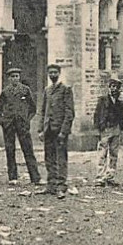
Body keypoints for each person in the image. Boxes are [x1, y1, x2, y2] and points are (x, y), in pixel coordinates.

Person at [0, 66, 41, 186]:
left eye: (17, 76)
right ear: (9, 79)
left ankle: (35, 177)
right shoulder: (5, 92)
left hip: (22, 125)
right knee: (10, 150)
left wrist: (27, 120)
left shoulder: (25, 90)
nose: (15, 78)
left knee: (28, 150)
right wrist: (3, 122)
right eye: (12, 76)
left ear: (19, 77)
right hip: (9, 125)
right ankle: (13, 177)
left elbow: (32, 108)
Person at [39, 62, 74, 199]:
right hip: (48, 130)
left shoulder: (66, 89)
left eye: (55, 72)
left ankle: (61, 186)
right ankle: (51, 185)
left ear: (59, 74)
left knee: (61, 158)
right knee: (49, 158)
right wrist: (41, 129)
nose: (52, 75)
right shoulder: (47, 90)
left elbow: (69, 112)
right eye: (50, 73)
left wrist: (64, 131)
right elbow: (43, 111)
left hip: (59, 131)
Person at [93, 77, 123, 186]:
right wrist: (98, 128)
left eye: (116, 87)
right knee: (102, 153)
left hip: (116, 128)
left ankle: (110, 176)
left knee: (114, 153)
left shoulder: (119, 101)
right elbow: (97, 115)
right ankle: (100, 177)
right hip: (105, 128)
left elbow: (122, 114)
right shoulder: (102, 100)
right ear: (109, 87)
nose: (114, 89)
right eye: (112, 86)